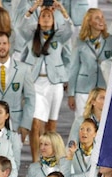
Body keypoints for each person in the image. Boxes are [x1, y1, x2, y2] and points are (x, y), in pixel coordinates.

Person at [20, 0, 74, 162]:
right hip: (35, 83)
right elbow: (21, 27)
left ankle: (49, 158)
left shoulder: (59, 36)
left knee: (51, 125)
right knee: (36, 123)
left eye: (48, 16)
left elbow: (69, 29)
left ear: (54, 19)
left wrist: (61, 9)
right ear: (38, 19)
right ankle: (36, 161)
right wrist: (34, 8)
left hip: (54, 84)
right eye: (42, 16)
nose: (45, 18)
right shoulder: (31, 35)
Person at [67, 9, 112, 115]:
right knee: (82, 120)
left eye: (102, 17)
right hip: (83, 89)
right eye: (97, 18)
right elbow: (74, 68)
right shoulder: (80, 41)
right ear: (89, 21)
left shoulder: (111, 40)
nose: (101, 20)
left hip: (103, 89)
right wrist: (71, 94)